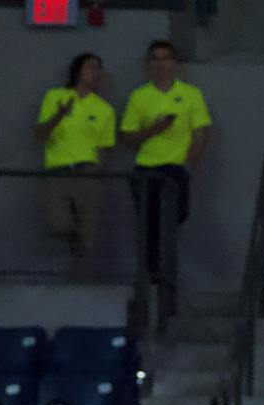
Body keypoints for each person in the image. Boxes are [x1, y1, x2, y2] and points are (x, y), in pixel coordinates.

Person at [119, 39, 212, 292]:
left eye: (166, 58)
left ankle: (165, 271)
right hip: (147, 168)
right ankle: (153, 274)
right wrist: (154, 130)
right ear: (149, 64)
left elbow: (201, 133)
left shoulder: (191, 94)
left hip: (174, 168)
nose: (161, 64)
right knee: (149, 223)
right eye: (156, 59)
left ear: (174, 63)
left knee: (175, 217)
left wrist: (188, 166)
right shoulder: (139, 96)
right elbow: (127, 137)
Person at [35, 51, 116, 279]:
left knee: (89, 234)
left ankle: (82, 280)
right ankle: (73, 238)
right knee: (58, 223)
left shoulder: (104, 109)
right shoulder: (55, 96)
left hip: (88, 172)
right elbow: (40, 133)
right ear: (78, 70)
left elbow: (104, 146)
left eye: (98, 68)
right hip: (59, 170)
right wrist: (59, 116)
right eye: (91, 67)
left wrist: (98, 170)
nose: (95, 72)